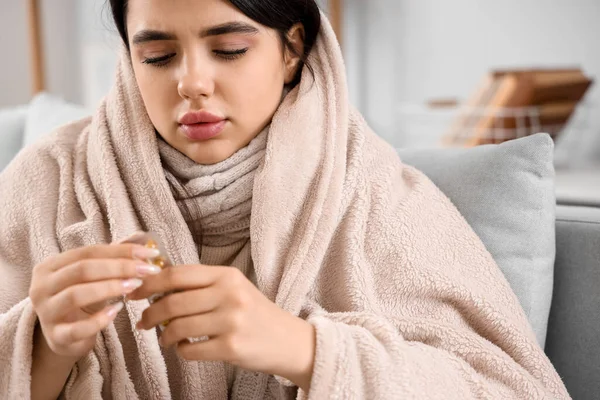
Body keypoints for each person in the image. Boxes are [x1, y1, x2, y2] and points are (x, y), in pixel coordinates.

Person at [0, 1, 570, 399]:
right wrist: (43, 346)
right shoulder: (49, 181)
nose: (192, 82)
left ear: (293, 48)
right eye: (157, 56)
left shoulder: (376, 195)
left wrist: (305, 350)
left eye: (227, 49)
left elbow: (511, 389)